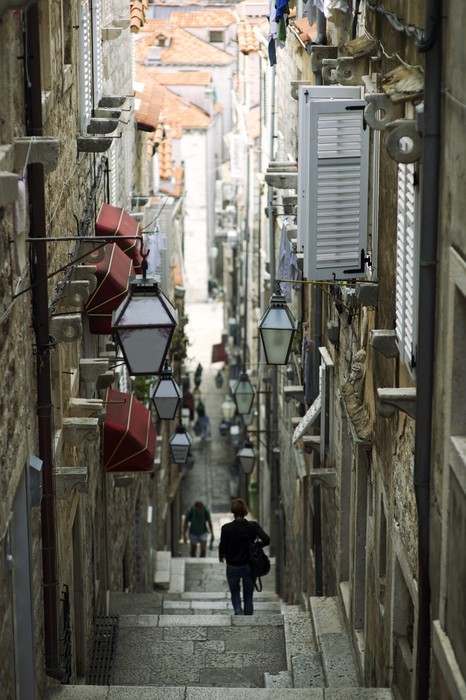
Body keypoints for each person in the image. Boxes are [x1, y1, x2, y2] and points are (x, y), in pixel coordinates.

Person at [219, 498, 270, 615]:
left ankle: (238, 611)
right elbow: (266, 539)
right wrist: (257, 545)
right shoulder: (252, 526)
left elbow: (223, 546)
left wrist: (221, 556)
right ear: (245, 511)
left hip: (232, 565)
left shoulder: (226, 528)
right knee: (248, 595)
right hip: (249, 566)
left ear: (233, 511)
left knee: (234, 592)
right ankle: (247, 619)